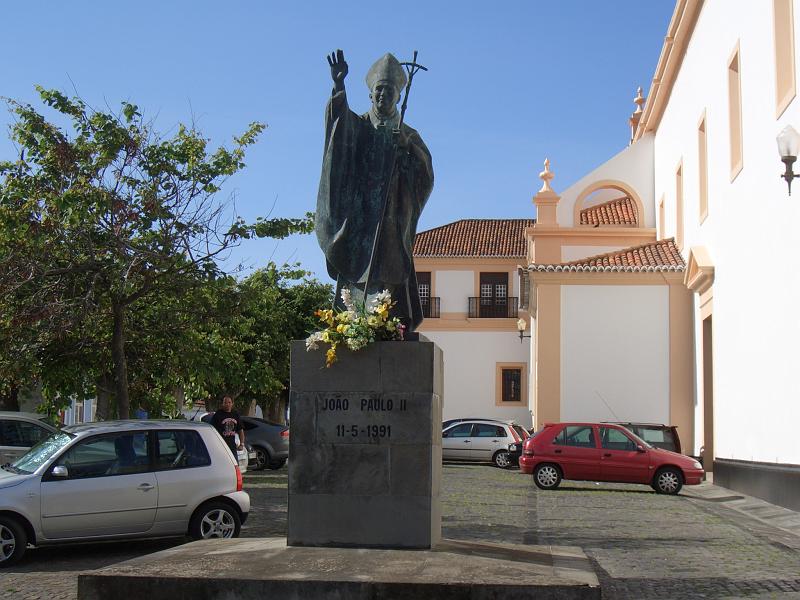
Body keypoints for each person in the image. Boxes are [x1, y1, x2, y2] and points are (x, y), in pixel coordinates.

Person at [316, 49, 434, 331]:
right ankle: (351, 321)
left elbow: (425, 174)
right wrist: (339, 86)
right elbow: (338, 126)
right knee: (356, 268)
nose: (383, 96)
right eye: (379, 90)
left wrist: (407, 149)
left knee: (390, 268)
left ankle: (388, 323)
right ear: (370, 94)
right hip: (359, 215)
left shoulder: (408, 134)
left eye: (389, 91)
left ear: (397, 96)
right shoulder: (359, 126)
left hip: (392, 214)